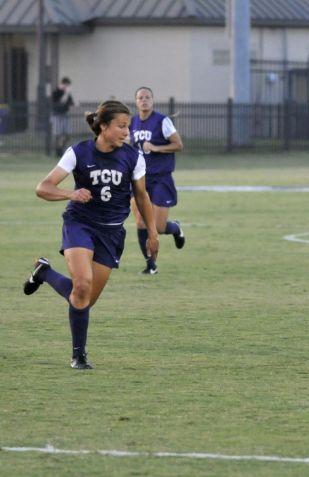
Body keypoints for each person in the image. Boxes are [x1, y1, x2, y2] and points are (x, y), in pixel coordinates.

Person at [22, 100, 159, 369]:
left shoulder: (133, 157)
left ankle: (45, 273)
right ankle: (79, 356)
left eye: (127, 127)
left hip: (111, 233)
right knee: (82, 285)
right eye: (121, 126)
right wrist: (70, 193)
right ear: (104, 126)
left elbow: (142, 195)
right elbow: (43, 187)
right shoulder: (79, 152)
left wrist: (152, 232)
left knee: (83, 299)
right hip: (80, 224)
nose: (126, 132)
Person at [129, 87, 185, 275]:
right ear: (136, 102)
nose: (144, 100)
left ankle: (175, 228)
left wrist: (155, 147)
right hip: (139, 179)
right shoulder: (132, 122)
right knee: (140, 222)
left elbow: (178, 145)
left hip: (161, 178)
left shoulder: (162, 121)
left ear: (153, 100)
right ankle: (151, 264)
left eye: (147, 97)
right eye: (140, 98)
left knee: (159, 227)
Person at [51, 77, 76, 157]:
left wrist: (74, 103)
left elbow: (71, 102)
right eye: (67, 85)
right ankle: (57, 152)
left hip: (65, 115)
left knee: (68, 134)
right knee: (57, 134)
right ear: (62, 84)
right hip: (57, 115)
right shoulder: (56, 92)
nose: (67, 87)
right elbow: (62, 101)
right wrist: (66, 93)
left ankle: (61, 148)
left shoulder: (67, 93)